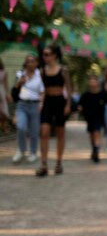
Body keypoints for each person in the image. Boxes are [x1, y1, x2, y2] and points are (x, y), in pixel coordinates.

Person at [37, 44, 73, 177]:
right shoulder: (42, 71)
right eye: (44, 54)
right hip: (47, 101)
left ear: (54, 55)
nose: (44, 57)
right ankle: (44, 164)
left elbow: (69, 88)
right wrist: (41, 103)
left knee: (60, 133)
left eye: (47, 54)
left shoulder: (63, 70)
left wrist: (68, 104)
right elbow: (42, 89)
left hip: (60, 102)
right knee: (44, 132)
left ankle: (58, 162)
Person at [12, 55, 44, 163]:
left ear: (36, 63)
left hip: (35, 105)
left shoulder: (40, 75)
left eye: (33, 61)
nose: (30, 63)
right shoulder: (20, 74)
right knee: (21, 127)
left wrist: (41, 104)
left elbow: (42, 91)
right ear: (25, 63)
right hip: (22, 105)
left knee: (34, 131)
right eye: (28, 61)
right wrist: (20, 82)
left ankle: (33, 153)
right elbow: (15, 90)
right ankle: (21, 150)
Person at [78, 75, 107, 163]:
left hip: (99, 117)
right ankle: (94, 148)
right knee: (92, 134)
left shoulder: (102, 94)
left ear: (97, 82)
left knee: (97, 132)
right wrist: (79, 108)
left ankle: (96, 150)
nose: (93, 83)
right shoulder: (86, 95)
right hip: (89, 118)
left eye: (94, 81)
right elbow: (80, 105)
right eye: (91, 81)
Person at [0, 58, 11, 133]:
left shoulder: (3, 72)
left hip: (1, 92)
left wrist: (8, 94)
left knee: (4, 111)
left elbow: (6, 84)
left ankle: (4, 126)